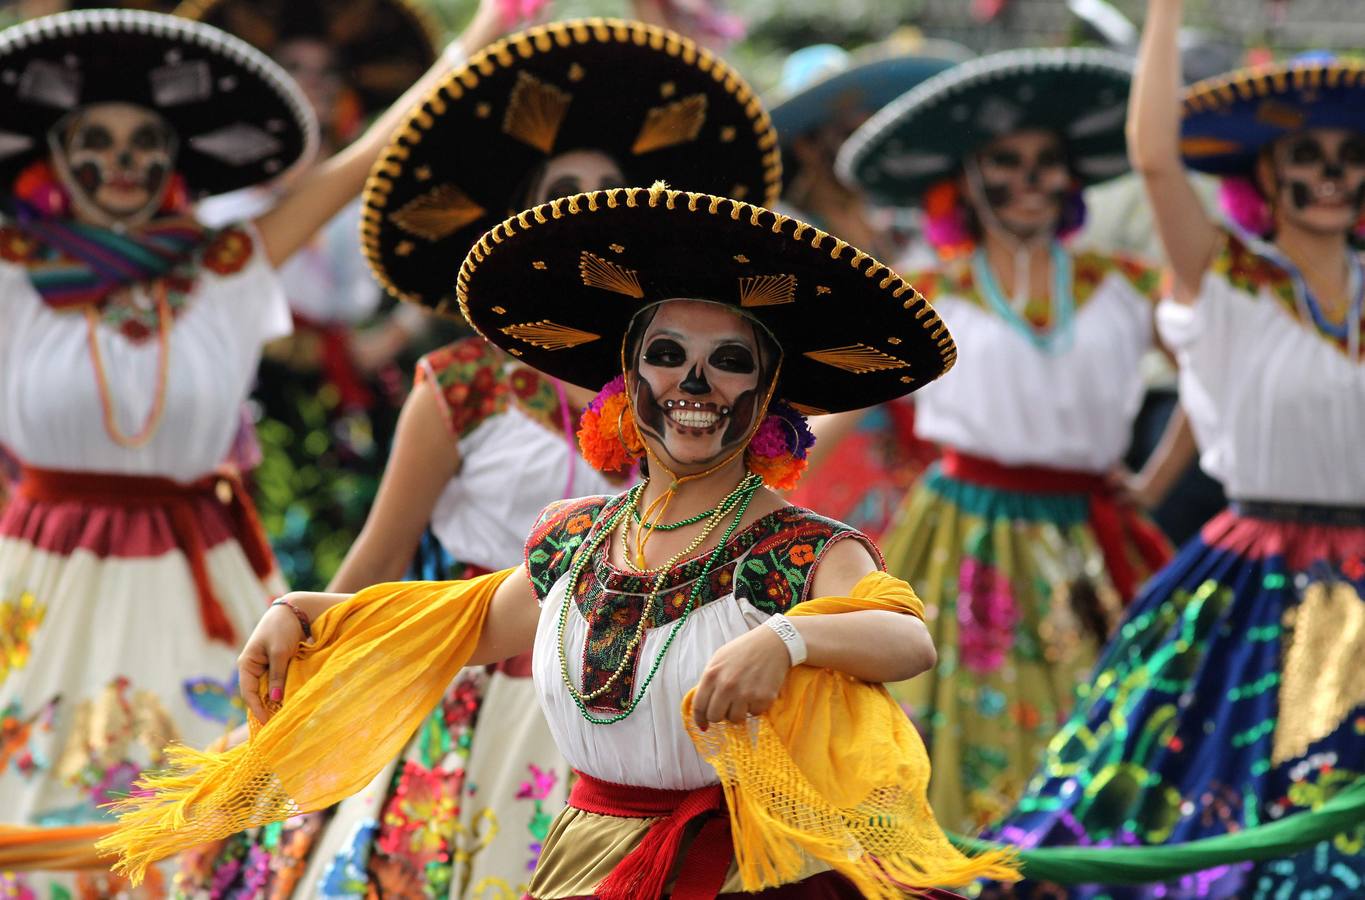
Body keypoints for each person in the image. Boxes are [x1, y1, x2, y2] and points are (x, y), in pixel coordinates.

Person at [101, 183, 1020, 898]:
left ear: (767, 395)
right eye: (666, 355)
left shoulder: (797, 547)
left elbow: (906, 639)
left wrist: (788, 638)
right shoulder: (575, 541)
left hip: (738, 871)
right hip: (579, 853)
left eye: (730, 360)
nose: (694, 383)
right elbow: (449, 624)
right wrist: (303, 615)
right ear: (626, 380)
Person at [172, 18, 786, 898]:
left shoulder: (694, 393)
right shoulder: (460, 385)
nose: (589, 216)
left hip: (649, 714)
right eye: (563, 193)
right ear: (524, 220)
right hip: (475, 703)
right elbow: (377, 562)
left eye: (612, 198)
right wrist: (310, 653)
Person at [0, 5, 503, 895]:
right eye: (97, 139)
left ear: (176, 159)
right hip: (39, 574)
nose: (122, 162)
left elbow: (355, 167)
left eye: (145, 141)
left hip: (198, 573)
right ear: (53, 152)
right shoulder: (12, 269)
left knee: (221, 823)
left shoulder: (225, 264)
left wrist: (480, 38)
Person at [982, 3, 1365, 897]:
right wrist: (1164, 8)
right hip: (1260, 571)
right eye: (1304, 158)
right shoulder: (1226, 277)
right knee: (1204, 792)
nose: (1330, 176)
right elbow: (1155, 156)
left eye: (1348, 159)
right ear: (1261, 178)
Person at [837, 47, 1174, 833]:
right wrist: (744, 483)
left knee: (1103, 725)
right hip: (964, 536)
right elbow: (839, 405)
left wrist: (1155, 481)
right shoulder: (927, 292)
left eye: (1045, 162)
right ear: (965, 178)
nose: (1028, 181)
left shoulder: (1121, 284)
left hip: (1089, 537)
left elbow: (1223, 372)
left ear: (1070, 178)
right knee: (951, 734)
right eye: (1005, 162)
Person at [184, 0, 445, 592]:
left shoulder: (372, 198)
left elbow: (437, 258)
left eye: (327, 72)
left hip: (344, 392)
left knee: (351, 534)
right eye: (296, 66)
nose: (314, 83)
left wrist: (388, 339)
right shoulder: (223, 197)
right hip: (247, 391)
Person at [767, 35, 968, 540]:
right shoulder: (784, 233)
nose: (869, 144)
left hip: (917, 449)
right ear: (809, 145)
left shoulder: (903, 231)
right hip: (824, 438)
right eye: (851, 131)